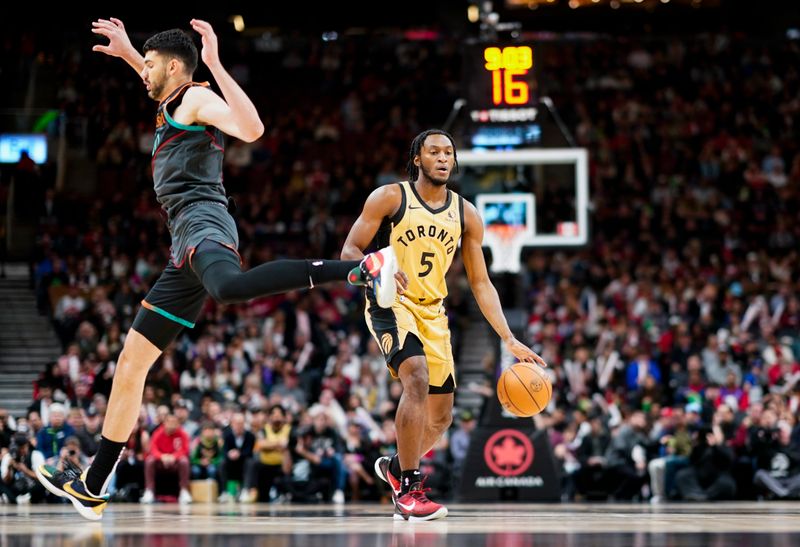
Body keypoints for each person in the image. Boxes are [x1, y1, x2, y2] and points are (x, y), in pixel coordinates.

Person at [36, 17, 399, 521]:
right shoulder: (171, 100)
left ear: (175, 66)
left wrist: (217, 65)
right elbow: (152, 73)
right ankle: (94, 485)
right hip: (181, 248)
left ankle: (358, 269)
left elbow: (252, 128)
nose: (144, 73)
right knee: (131, 364)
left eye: (150, 64)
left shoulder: (195, 97)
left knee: (229, 289)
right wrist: (124, 52)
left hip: (205, 226)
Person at [341, 129, 546, 521]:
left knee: (441, 418)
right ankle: (410, 490)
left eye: (448, 152)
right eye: (433, 151)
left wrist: (509, 338)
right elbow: (350, 250)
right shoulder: (390, 197)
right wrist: (376, 266)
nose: (442, 158)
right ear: (417, 159)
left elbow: (481, 282)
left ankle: (396, 467)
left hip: (434, 311)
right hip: (391, 301)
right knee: (415, 377)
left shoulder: (466, 213)